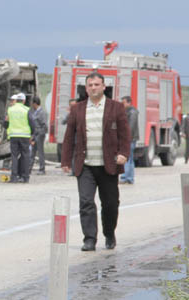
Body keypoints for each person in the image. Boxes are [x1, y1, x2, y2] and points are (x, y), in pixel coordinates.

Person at [61, 72, 130, 251]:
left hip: (108, 165)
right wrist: (65, 160)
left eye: (97, 84)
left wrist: (124, 153)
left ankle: (109, 233)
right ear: (86, 88)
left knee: (110, 204)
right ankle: (89, 238)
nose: (93, 88)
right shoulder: (78, 109)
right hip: (85, 166)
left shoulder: (116, 108)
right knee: (86, 202)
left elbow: (125, 134)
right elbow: (69, 136)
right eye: (90, 85)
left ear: (104, 87)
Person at [6, 92, 36, 183]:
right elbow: (32, 124)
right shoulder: (26, 110)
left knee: (14, 156)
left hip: (13, 136)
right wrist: (32, 135)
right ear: (23, 101)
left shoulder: (10, 110)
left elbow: (5, 123)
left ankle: (14, 177)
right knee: (25, 156)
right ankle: (25, 177)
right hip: (25, 136)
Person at [119, 96, 139, 184]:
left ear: (129, 102)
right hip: (130, 138)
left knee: (126, 158)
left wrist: (126, 138)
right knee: (130, 158)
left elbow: (130, 127)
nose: (122, 104)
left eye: (123, 102)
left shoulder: (132, 112)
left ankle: (125, 177)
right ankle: (129, 178)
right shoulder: (128, 111)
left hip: (130, 139)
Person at [29, 96, 48, 175]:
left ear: (35, 103)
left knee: (40, 152)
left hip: (39, 134)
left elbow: (44, 125)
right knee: (32, 152)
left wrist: (40, 134)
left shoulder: (41, 112)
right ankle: (29, 168)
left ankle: (42, 169)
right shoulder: (35, 112)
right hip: (35, 134)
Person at [57, 99, 77, 163]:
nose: (73, 107)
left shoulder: (81, 113)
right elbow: (63, 122)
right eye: (71, 105)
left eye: (74, 105)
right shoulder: (69, 115)